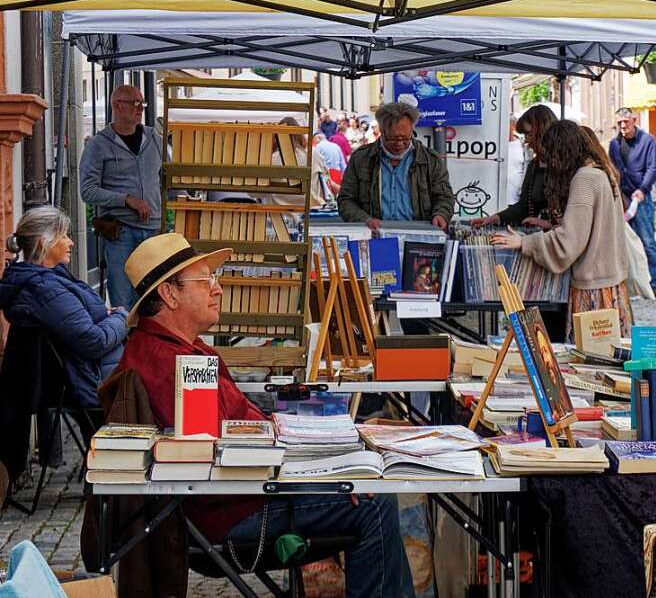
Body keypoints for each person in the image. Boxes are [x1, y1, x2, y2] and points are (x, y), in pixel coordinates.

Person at [113, 233, 414, 596]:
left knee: (365, 481)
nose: (217, 288)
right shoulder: (172, 362)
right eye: (205, 279)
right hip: (232, 511)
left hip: (235, 496)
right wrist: (313, 466)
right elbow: (222, 451)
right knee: (375, 502)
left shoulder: (170, 350)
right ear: (169, 294)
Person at [492, 120, 633, 339]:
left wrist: (524, 242)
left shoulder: (584, 178)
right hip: (609, 285)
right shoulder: (600, 172)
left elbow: (570, 241)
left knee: (591, 361)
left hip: (593, 290)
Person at [0, 206, 127, 408]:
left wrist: (108, 316)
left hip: (100, 372)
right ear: (44, 242)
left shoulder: (51, 280)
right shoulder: (44, 289)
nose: (71, 242)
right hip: (96, 383)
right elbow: (94, 340)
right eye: (64, 236)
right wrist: (122, 318)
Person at [79, 84, 162, 310]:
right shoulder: (99, 144)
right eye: (135, 103)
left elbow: (166, 176)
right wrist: (126, 199)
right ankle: (124, 344)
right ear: (117, 106)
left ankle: (148, 345)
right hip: (120, 231)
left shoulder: (154, 137)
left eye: (142, 103)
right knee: (123, 300)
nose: (140, 108)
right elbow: (87, 190)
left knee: (153, 298)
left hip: (153, 229)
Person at [338, 101, 455, 232]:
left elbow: (444, 197)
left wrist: (441, 215)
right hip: (375, 236)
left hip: (419, 236)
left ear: (412, 130)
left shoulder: (430, 160)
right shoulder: (361, 159)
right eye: (393, 138)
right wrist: (364, 220)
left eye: (405, 138)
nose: (399, 144)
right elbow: (346, 200)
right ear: (382, 131)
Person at [473, 104, 558, 229]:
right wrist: (495, 218)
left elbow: (573, 222)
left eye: (529, 134)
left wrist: (548, 224)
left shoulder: (566, 167)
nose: (526, 141)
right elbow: (524, 205)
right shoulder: (535, 165)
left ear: (543, 132)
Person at [608, 108, 656, 297]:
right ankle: (628, 282)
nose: (623, 126)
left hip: (641, 197)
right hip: (623, 198)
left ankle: (655, 281)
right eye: (619, 123)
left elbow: (652, 168)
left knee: (647, 240)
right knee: (623, 242)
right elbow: (613, 169)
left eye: (626, 122)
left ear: (634, 120)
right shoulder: (614, 144)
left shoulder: (647, 140)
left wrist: (642, 189)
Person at [266, 117, 332, 211]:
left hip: (280, 213)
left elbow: (258, 193)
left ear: (277, 137)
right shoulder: (313, 154)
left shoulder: (272, 159)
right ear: (300, 135)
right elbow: (326, 177)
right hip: (310, 210)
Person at [505, 115, 527, 207]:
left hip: (516, 198)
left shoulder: (522, 145)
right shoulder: (495, 146)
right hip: (499, 198)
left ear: (513, 126)